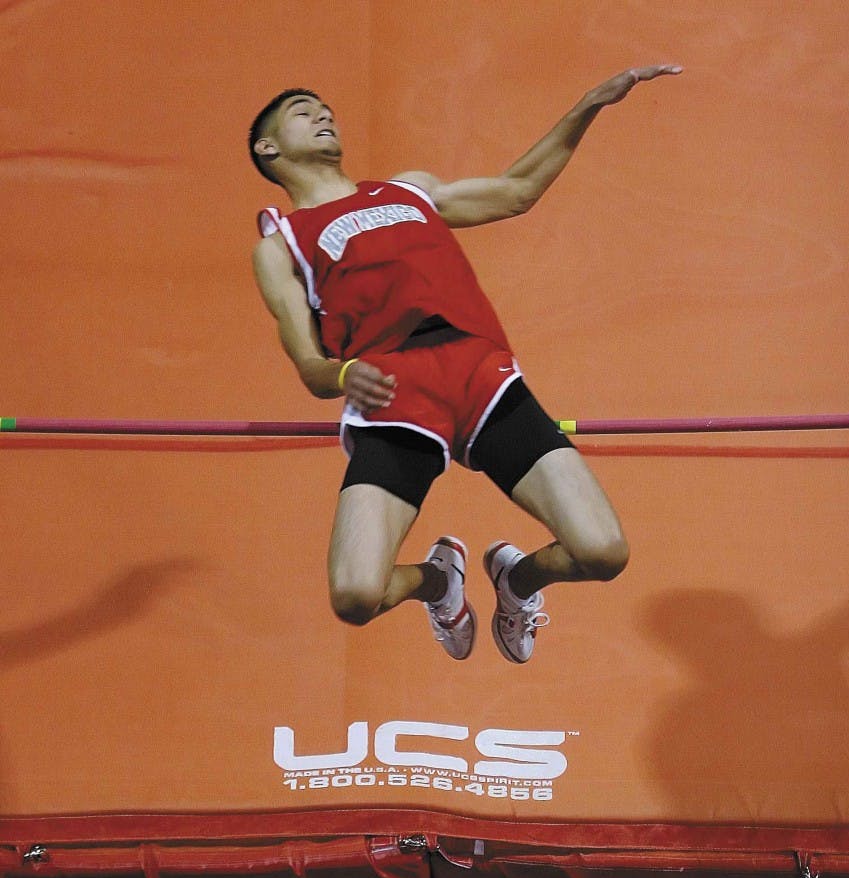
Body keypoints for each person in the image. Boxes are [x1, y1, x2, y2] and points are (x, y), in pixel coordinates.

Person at [249, 65, 682, 663]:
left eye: (326, 108)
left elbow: (518, 190)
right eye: (303, 109)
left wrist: (589, 104)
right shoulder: (281, 246)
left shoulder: (407, 191)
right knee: (354, 595)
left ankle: (517, 581)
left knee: (602, 551)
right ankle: (438, 582)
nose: (324, 115)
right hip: (395, 397)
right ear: (267, 148)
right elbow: (309, 365)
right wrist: (346, 375)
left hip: (481, 378)